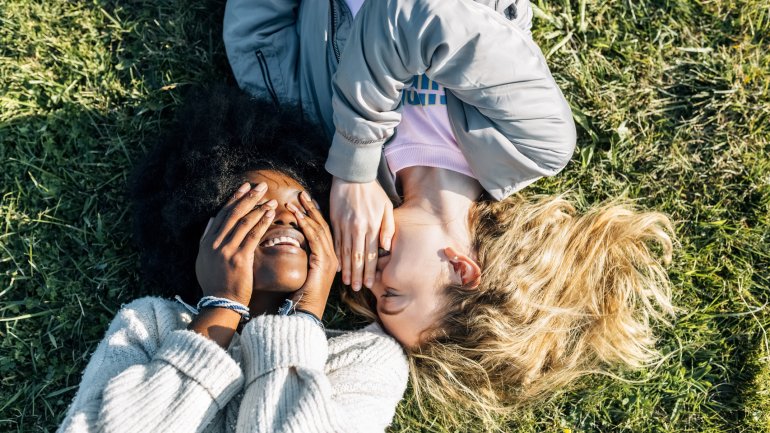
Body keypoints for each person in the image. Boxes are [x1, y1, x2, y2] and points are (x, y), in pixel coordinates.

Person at [57, 86, 408, 433]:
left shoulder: (368, 358)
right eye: (256, 208)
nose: (285, 217)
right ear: (206, 234)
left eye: (303, 206)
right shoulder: (147, 326)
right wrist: (221, 307)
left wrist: (304, 320)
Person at [223, 0, 577, 293]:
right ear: (461, 269)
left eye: (374, 301)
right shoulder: (535, 144)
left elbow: (256, 39)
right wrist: (355, 163)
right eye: (392, 296)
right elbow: (407, 13)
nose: (368, 281)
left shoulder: (317, 141)